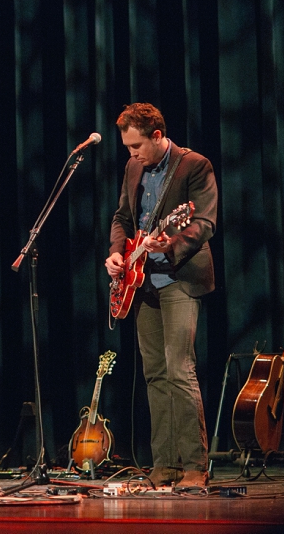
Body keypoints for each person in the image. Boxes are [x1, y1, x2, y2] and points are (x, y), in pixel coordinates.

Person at [104, 103, 217, 490]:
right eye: (127, 147)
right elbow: (123, 217)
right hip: (141, 282)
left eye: (136, 146)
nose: (131, 153)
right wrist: (118, 252)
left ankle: (194, 467)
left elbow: (204, 222)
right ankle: (165, 465)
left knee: (179, 369)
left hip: (180, 279)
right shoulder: (134, 167)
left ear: (157, 136)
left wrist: (170, 245)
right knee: (154, 374)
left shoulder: (194, 165)